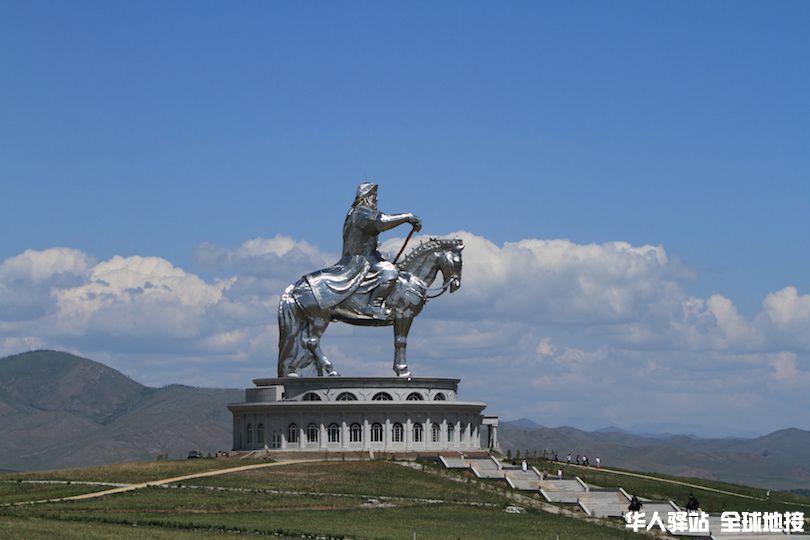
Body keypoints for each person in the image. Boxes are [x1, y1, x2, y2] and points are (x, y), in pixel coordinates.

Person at [304, 183, 421, 318]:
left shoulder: (357, 212)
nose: (376, 200)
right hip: (360, 260)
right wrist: (407, 217)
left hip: (368, 256)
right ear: (366, 197)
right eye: (374, 196)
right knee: (390, 271)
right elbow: (382, 222)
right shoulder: (361, 213)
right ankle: (373, 307)